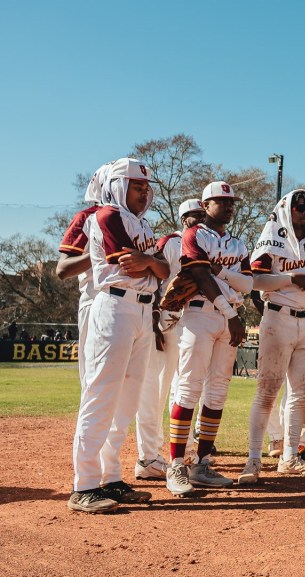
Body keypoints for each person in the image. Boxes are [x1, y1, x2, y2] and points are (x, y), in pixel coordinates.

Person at [69, 158, 169, 513]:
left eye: (145, 187)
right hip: (113, 308)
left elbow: (163, 270)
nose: (143, 192)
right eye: (135, 186)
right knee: (101, 393)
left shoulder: (141, 223)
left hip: (142, 311)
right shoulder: (108, 216)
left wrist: (150, 262)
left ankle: (111, 477)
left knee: (127, 399)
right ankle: (83, 485)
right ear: (116, 186)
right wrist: (150, 262)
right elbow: (129, 261)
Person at [164, 182, 250, 495]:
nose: (228, 206)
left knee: (217, 393)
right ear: (205, 204)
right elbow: (200, 275)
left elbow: (247, 284)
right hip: (199, 315)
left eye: (231, 202)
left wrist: (225, 276)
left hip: (228, 317)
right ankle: (176, 465)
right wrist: (230, 313)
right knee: (188, 388)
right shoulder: (194, 234)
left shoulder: (237, 243)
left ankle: (202, 463)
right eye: (221, 201)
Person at [239, 189, 305, 483]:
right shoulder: (273, 238)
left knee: (300, 394)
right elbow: (256, 279)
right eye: (300, 207)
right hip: (278, 317)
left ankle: (289, 457)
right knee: (267, 391)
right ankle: (253, 460)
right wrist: (293, 279)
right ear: (286, 211)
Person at [133, 199, 206, 482]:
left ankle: (185, 450)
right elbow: (152, 281)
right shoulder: (170, 243)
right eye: (192, 216)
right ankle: (148, 456)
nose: (197, 220)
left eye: (201, 215)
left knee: (187, 388)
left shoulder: (210, 246)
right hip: (167, 321)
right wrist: (153, 320)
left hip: (197, 321)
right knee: (157, 389)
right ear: (182, 218)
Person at [56, 162, 113, 387]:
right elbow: (63, 269)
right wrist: (102, 253)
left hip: (132, 307)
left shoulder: (137, 222)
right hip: (95, 298)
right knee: (94, 377)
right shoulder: (87, 217)